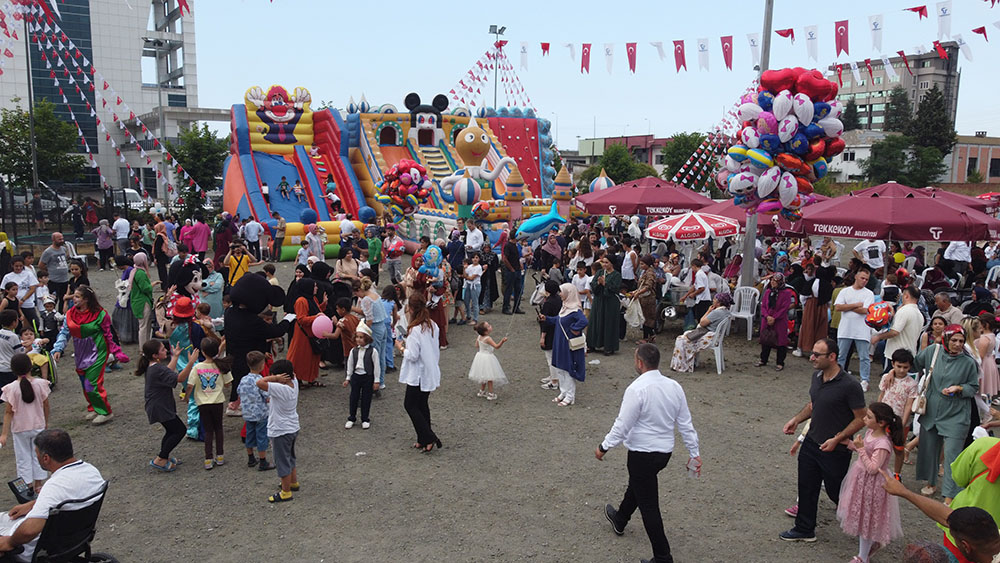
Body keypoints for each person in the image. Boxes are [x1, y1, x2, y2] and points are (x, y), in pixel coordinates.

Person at [597, 343, 701, 563]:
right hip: (663, 453)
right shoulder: (674, 387)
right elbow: (685, 423)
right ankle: (620, 518)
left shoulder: (636, 389)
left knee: (649, 505)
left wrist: (604, 446)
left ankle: (663, 557)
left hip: (641, 453)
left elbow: (622, 424)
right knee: (639, 484)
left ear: (640, 362)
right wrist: (694, 452)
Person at [781, 338, 866, 543]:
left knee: (837, 491)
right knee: (806, 486)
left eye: (817, 355)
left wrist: (838, 439)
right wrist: (796, 419)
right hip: (812, 442)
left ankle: (866, 524)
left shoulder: (850, 385)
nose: (812, 358)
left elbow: (861, 418)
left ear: (832, 357)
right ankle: (804, 528)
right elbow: (814, 404)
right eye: (813, 353)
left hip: (835, 450)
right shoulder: (817, 377)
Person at [0, 429, 105, 561]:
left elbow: (29, 531)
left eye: (37, 454)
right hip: (74, 539)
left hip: (36, 548)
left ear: (46, 458)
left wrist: (9, 542)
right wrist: (33, 505)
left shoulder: (54, 486)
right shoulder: (92, 472)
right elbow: (67, 498)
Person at [913, 324, 980, 503]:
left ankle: (950, 495)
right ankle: (931, 482)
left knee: (952, 455)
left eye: (961, 341)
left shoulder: (968, 362)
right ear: (946, 339)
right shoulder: (932, 352)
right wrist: (892, 373)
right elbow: (913, 363)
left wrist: (959, 388)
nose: (958, 344)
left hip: (956, 414)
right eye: (954, 340)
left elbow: (973, 387)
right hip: (931, 410)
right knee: (929, 449)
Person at [836, 402, 904, 562]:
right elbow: (866, 451)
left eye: (869, 417)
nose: (864, 419)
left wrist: (859, 448)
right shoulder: (871, 432)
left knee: (867, 519)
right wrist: (850, 444)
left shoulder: (883, 444)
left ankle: (862, 557)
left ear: (881, 423)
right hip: (861, 480)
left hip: (872, 484)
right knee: (862, 517)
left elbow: (873, 468)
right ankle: (868, 549)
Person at [51, 286, 128, 426]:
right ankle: (94, 407)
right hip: (80, 352)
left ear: (86, 299)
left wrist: (116, 351)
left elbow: (109, 334)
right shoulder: (70, 314)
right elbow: (64, 332)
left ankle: (105, 412)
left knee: (91, 383)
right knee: (83, 381)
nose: (74, 299)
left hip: (97, 351)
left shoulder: (100, 314)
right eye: (74, 296)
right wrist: (58, 348)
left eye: (77, 296)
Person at [138, 340, 197, 472]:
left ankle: (164, 456)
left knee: (171, 430)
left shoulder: (154, 367)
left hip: (158, 405)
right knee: (179, 430)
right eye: (163, 349)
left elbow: (168, 371)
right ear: (155, 355)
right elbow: (179, 378)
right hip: (160, 407)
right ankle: (161, 458)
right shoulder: (157, 369)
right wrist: (191, 363)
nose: (166, 350)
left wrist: (175, 356)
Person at [396, 296, 442, 453]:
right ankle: (423, 438)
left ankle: (429, 437)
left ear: (411, 309)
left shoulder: (414, 330)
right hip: (429, 369)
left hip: (418, 373)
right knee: (422, 404)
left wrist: (401, 348)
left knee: (410, 405)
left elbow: (413, 355)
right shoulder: (433, 325)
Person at [0, 354, 50, 493]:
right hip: (38, 425)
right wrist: (45, 422)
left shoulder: (10, 389)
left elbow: (8, 412)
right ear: (31, 366)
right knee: (38, 455)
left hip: (20, 429)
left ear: (13, 370)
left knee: (23, 458)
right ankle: (39, 484)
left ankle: (27, 486)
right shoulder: (41, 384)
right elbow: (46, 405)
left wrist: (4, 434)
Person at [186, 337, 233, 470]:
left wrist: (187, 397)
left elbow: (190, 385)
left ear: (203, 352)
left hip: (202, 403)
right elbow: (228, 384)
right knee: (218, 428)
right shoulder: (222, 366)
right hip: (217, 401)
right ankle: (220, 456)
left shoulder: (197, 367)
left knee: (208, 430)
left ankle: (208, 458)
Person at [257, 359, 299, 502]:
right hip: (292, 427)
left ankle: (285, 492)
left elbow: (259, 382)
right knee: (290, 457)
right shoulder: (294, 383)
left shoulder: (280, 388)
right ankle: (293, 482)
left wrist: (275, 378)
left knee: (282, 461)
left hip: (280, 430)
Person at [540, 284, 589, 406]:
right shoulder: (565, 307)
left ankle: (570, 395)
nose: (560, 294)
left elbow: (584, 321)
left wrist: (575, 329)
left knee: (568, 369)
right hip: (560, 342)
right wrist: (547, 319)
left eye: (561, 292)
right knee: (560, 368)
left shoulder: (575, 310)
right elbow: (558, 320)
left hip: (567, 344)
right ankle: (564, 392)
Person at [669, 293, 733, 373]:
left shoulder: (716, 312)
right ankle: (689, 362)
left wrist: (708, 311)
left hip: (710, 337)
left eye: (714, 299)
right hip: (716, 336)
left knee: (681, 339)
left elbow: (702, 322)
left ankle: (682, 365)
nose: (713, 300)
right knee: (686, 334)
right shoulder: (726, 312)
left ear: (719, 303)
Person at [834, 268, 876, 391]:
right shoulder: (845, 291)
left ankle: (865, 380)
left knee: (864, 357)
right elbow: (838, 307)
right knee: (841, 355)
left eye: (866, 279)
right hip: (845, 329)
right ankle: (838, 377)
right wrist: (856, 305)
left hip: (862, 330)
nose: (864, 281)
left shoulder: (869, 293)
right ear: (856, 277)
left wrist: (847, 306)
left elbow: (866, 310)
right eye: (862, 278)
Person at [237, 351, 275, 470]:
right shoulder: (260, 380)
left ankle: (251, 458)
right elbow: (266, 395)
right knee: (262, 437)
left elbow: (238, 391)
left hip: (248, 413)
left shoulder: (243, 379)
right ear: (262, 365)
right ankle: (263, 461)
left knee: (249, 435)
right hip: (260, 413)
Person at [343, 322, 381, 429]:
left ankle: (365, 418)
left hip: (367, 376)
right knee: (353, 397)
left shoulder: (373, 351)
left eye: (361, 337)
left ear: (367, 338)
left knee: (366, 398)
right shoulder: (353, 351)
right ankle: (352, 417)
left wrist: (376, 380)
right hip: (356, 376)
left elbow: (377, 366)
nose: (358, 340)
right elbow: (350, 365)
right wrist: (348, 377)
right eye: (357, 337)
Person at [588, 257, 622, 356]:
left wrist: (605, 284)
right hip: (599, 300)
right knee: (595, 321)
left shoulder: (616, 275)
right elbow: (593, 285)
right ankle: (592, 344)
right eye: (603, 262)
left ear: (612, 263)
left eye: (607, 262)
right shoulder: (599, 272)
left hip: (610, 302)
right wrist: (598, 283)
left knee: (608, 323)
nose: (605, 264)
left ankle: (609, 347)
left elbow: (616, 288)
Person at [758, 273, 793, 371]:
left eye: (775, 281)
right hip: (767, 319)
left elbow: (784, 308)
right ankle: (763, 359)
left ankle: (780, 362)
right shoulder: (768, 292)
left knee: (781, 341)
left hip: (779, 320)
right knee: (766, 339)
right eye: (772, 280)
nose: (773, 282)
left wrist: (775, 317)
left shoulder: (786, 293)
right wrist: (767, 316)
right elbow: (763, 305)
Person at [468, 321, 509, 401]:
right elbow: (496, 346)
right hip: (488, 358)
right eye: (488, 326)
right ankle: (491, 394)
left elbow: (476, 345)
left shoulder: (479, 337)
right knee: (490, 377)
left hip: (480, 357)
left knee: (483, 375)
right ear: (486, 331)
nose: (490, 326)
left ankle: (481, 391)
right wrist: (502, 341)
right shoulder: (488, 339)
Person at [628, 255, 659, 344]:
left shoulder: (650, 273)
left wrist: (638, 293)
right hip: (643, 298)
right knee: (645, 318)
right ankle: (649, 336)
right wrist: (636, 291)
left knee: (647, 318)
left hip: (648, 299)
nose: (641, 266)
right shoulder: (645, 272)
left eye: (642, 264)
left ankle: (647, 337)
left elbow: (648, 286)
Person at [538, 280, 562, 390]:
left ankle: (554, 381)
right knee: (554, 355)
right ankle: (553, 375)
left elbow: (545, 322)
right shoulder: (559, 299)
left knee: (550, 357)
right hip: (558, 329)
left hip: (550, 331)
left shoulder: (548, 303)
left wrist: (543, 336)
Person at [38, 234, 71, 314]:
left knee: (63, 299)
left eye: (62, 239)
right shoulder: (48, 252)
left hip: (64, 279)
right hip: (54, 280)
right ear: (53, 240)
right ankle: (50, 315)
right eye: (59, 239)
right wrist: (50, 271)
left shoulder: (63, 249)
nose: (62, 241)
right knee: (52, 300)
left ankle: (61, 315)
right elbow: (41, 265)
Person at [501, 234, 524, 315]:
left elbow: (516, 257)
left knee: (518, 289)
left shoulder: (516, 245)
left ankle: (516, 307)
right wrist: (511, 269)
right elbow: (505, 258)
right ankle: (506, 307)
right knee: (509, 289)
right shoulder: (508, 245)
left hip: (517, 269)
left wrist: (519, 264)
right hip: (510, 271)